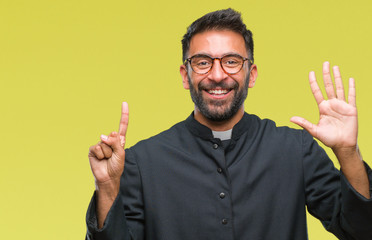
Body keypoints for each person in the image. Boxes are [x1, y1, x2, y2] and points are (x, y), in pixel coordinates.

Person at [86, 8, 372, 240]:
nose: (218, 75)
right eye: (202, 62)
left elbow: (361, 231)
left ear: (252, 73)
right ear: (186, 76)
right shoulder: (142, 161)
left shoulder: (295, 150)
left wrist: (348, 152)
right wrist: (108, 189)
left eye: (232, 61)